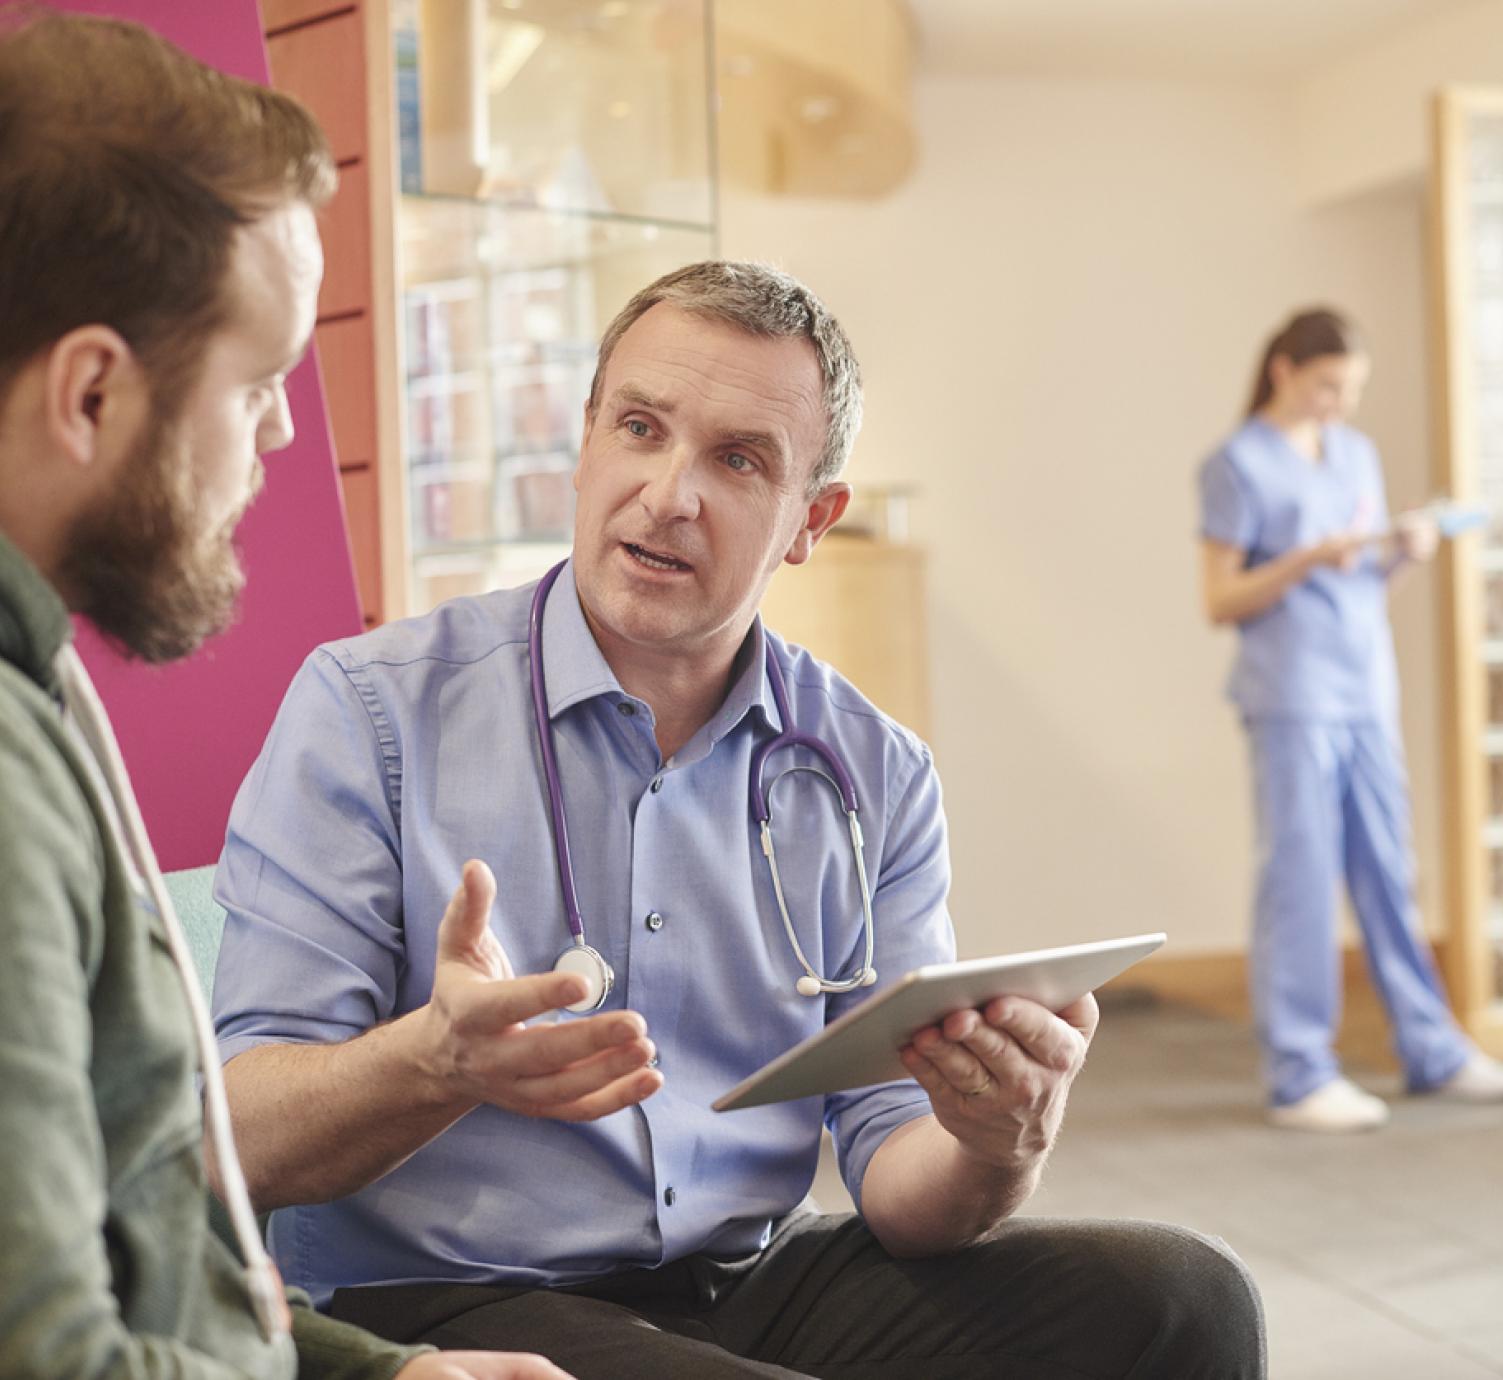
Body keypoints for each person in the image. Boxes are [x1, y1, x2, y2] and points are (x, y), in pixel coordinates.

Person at [210, 261, 1265, 1378]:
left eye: (738, 459)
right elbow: (241, 1136)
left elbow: (901, 1186)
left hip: (743, 1278)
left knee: (1183, 1302)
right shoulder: (372, 711)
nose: (670, 493)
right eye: (640, 427)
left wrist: (997, 1145)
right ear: (583, 442)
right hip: (446, 1298)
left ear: (810, 520)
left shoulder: (873, 772)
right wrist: (440, 1064)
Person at [0, 12, 561, 1379]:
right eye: (257, 381)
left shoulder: (40, 685)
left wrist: (384, 1372)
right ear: (89, 393)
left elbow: (126, 1237)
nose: (283, 434)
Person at [1197, 307, 1503, 1132]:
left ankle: (1434, 1048)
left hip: (1362, 689)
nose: (1339, 404)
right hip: (1291, 697)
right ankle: (1299, 1071)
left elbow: (1362, 589)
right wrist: (1307, 557)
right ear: (1283, 370)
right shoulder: (1237, 464)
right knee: (1301, 879)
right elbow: (1220, 599)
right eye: (1327, 386)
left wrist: (1402, 557)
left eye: (1350, 390)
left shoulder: (1356, 455)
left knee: (1390, 867)